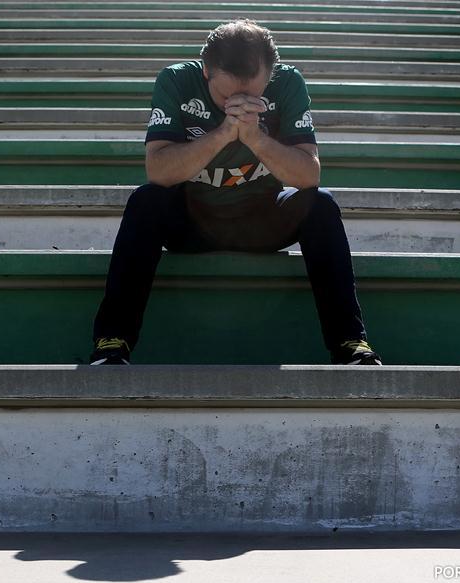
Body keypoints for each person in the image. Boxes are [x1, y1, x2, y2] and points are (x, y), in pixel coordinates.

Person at [89, 19, 382, 366]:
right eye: (227, 97)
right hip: (194, 219)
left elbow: (308, 175)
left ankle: (349, 342)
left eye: (254, 96)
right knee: (145, 201)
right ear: (206, 71)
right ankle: (113, 341)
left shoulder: (288, 82)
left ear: (270, 76)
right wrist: (224, 133)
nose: (241, 103)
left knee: (321, 204)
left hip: (260, 218)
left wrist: (255, 138)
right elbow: (158, 171)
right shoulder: (176, 80)